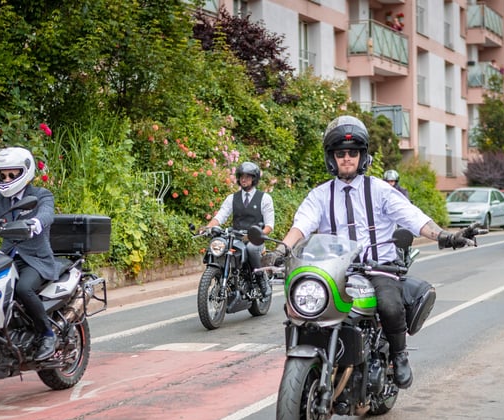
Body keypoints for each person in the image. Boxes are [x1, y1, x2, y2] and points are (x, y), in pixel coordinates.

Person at [276, 115, 479, 390]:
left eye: (353, 153)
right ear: (331, 158)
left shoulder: (380, 191)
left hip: (378, 268)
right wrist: (281, 249)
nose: (347, 158)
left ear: (362, 156)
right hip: (336, 270)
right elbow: (301, 226)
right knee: (303, 304)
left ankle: (399, 355)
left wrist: (446, 235)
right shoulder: (320, 195)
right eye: (340, 153)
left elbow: (413, 218)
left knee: (390, 305)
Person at [0, 147, 61, 361]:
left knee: (23, 288)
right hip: (7, 258)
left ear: (25, 173)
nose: (7, 179)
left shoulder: (41, 195)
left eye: (12, 174)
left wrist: (35, 223)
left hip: (35, 260)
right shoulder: (0, 200)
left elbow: (47, 214)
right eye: (2, 175)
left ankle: (48, 335)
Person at [203, 161, 275, 297]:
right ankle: (225, 277)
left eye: (247, 176)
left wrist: (258, 235)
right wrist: (207, 228)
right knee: (221, 246)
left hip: (255, 239)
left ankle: (261, 278)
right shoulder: (232, 198)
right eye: (241, 176)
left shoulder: (264, 198)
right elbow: (220, 216)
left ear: (254, 178)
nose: (243, 179)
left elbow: (269, 225)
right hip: (236, 238)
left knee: (251, 249)